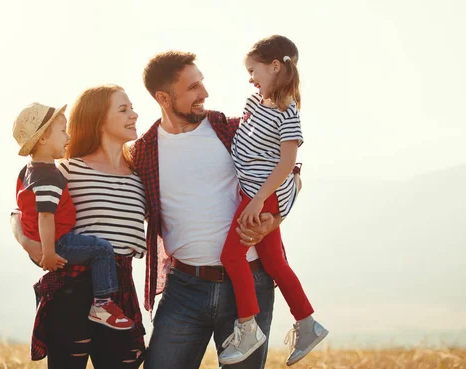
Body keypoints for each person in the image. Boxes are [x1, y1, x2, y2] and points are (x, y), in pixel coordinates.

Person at [132, 51, 290, 369]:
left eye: (202, 83)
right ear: (163, 97)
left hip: (250, 282)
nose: (204, 93)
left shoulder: (233, 131)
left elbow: (291, 173)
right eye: (192, 87)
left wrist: (274, 219)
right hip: (183, 289)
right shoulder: (143, 151)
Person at [10, 85, 146, 369]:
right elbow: (20, 213)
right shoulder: (66, 169)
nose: (134, 114)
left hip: (119, 289)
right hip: (73, 289)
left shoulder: (140, 175)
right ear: (98, 119)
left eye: (132, 108)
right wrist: (28, 244)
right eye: (123, 109)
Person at [218, 35, 328, 367]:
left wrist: (258, 202)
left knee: (230, 256)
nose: (250, 78)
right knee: (275, 263)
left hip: (260, 196)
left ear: (275, 67)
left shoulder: (288, 112)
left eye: (253, 70)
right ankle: (307, 324)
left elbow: (285, 163)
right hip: (253, 194)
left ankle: (248, 327)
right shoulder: (254, 104)